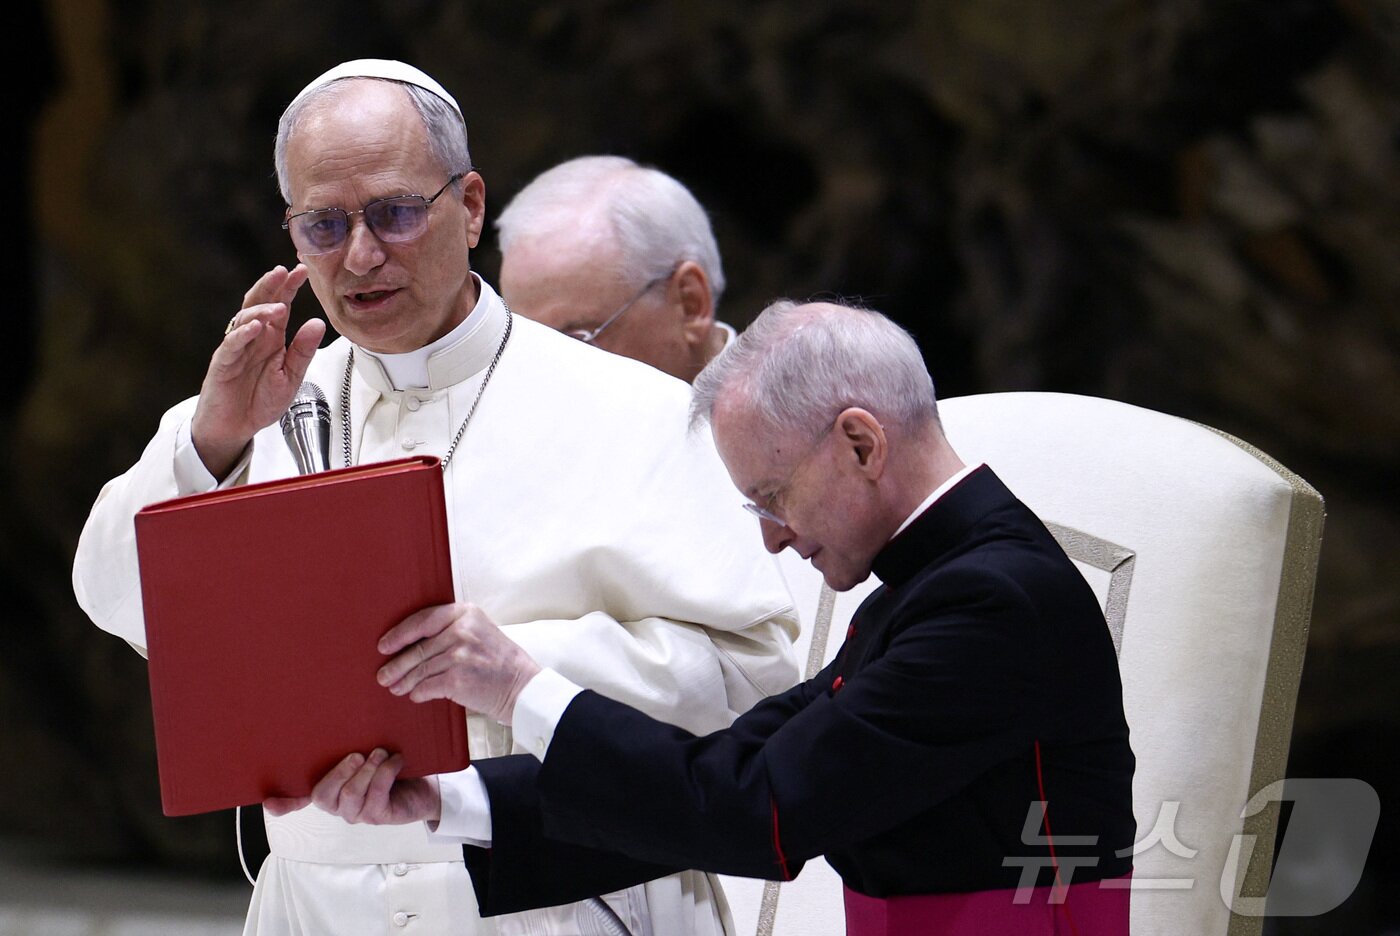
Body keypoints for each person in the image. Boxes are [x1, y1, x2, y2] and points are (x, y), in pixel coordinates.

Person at [72, 60, 800, 936]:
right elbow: (112, 599)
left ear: (471, 207)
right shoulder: (255, 405)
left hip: (569, 902)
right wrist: (211, 441)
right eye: (324, 226)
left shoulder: (629, 408)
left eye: (395, 213)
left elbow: (755, 680)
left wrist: (512, 671)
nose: (362, 255)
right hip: (317, 908)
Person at [285, 300, 1139, 936]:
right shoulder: (931, 587)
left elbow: (758, 810)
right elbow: (725, 773)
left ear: (861, 443)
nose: (770, 538)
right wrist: (444, 799)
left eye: (772, 497)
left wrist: (520, 689)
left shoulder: (989, 604)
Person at [496, 155, 734, 382]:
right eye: (526, 347)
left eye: (577, 341)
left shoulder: (767, 419)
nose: (545, 377)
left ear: (690, 303)